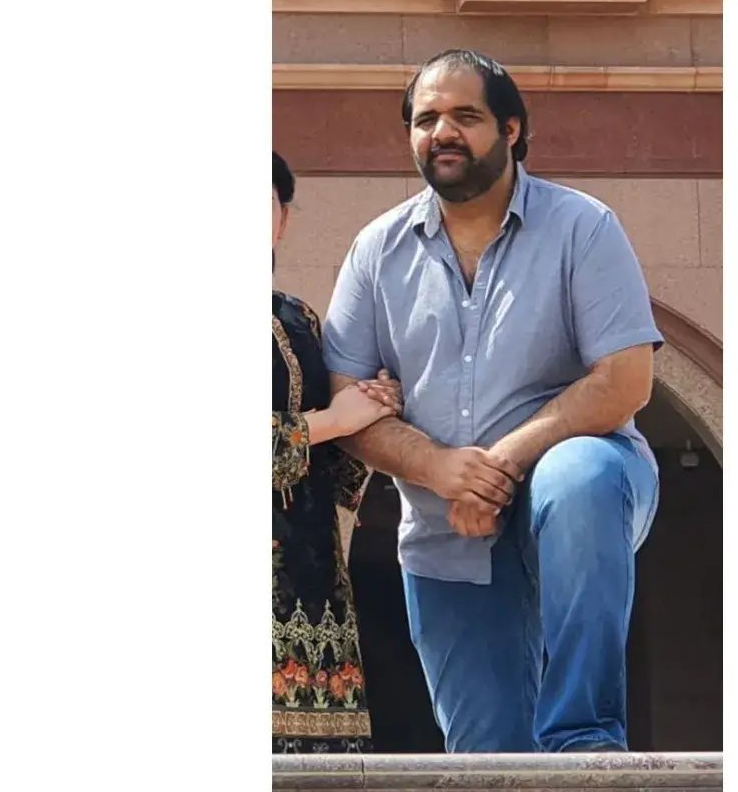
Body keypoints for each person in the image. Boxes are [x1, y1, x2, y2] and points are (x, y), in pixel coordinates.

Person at [321, 51, 663, 753]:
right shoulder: (377, 250)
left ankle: (584, 740)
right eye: (426, 119)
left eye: (465, 116)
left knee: (580, 477)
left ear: (511, 129)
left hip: (575, 497)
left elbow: (626, 380)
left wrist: (500, 464)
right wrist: (439, 468)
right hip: (446, 529)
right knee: (488, 766)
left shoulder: (583, 228)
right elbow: (344, 399)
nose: (442, 132)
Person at [270, 151, 403, 754]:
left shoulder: (299, 318)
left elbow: (333, 470)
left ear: (281, 219)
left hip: (313, 585)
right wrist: (331, 421)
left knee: (325, 777)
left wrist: (373, 408)